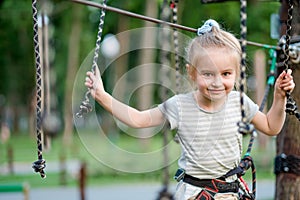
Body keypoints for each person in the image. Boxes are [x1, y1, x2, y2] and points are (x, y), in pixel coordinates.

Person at [84, 19, 295, 200]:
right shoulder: (179, 105)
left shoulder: (238, 101)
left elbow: (270, 126)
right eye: (208, 74)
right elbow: (139, 119)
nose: (217, 82)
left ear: (236, 73)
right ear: (192, 73)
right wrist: (103, 96)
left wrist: (279, 97)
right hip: (194, 193)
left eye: (226, 74)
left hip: (229, 193)